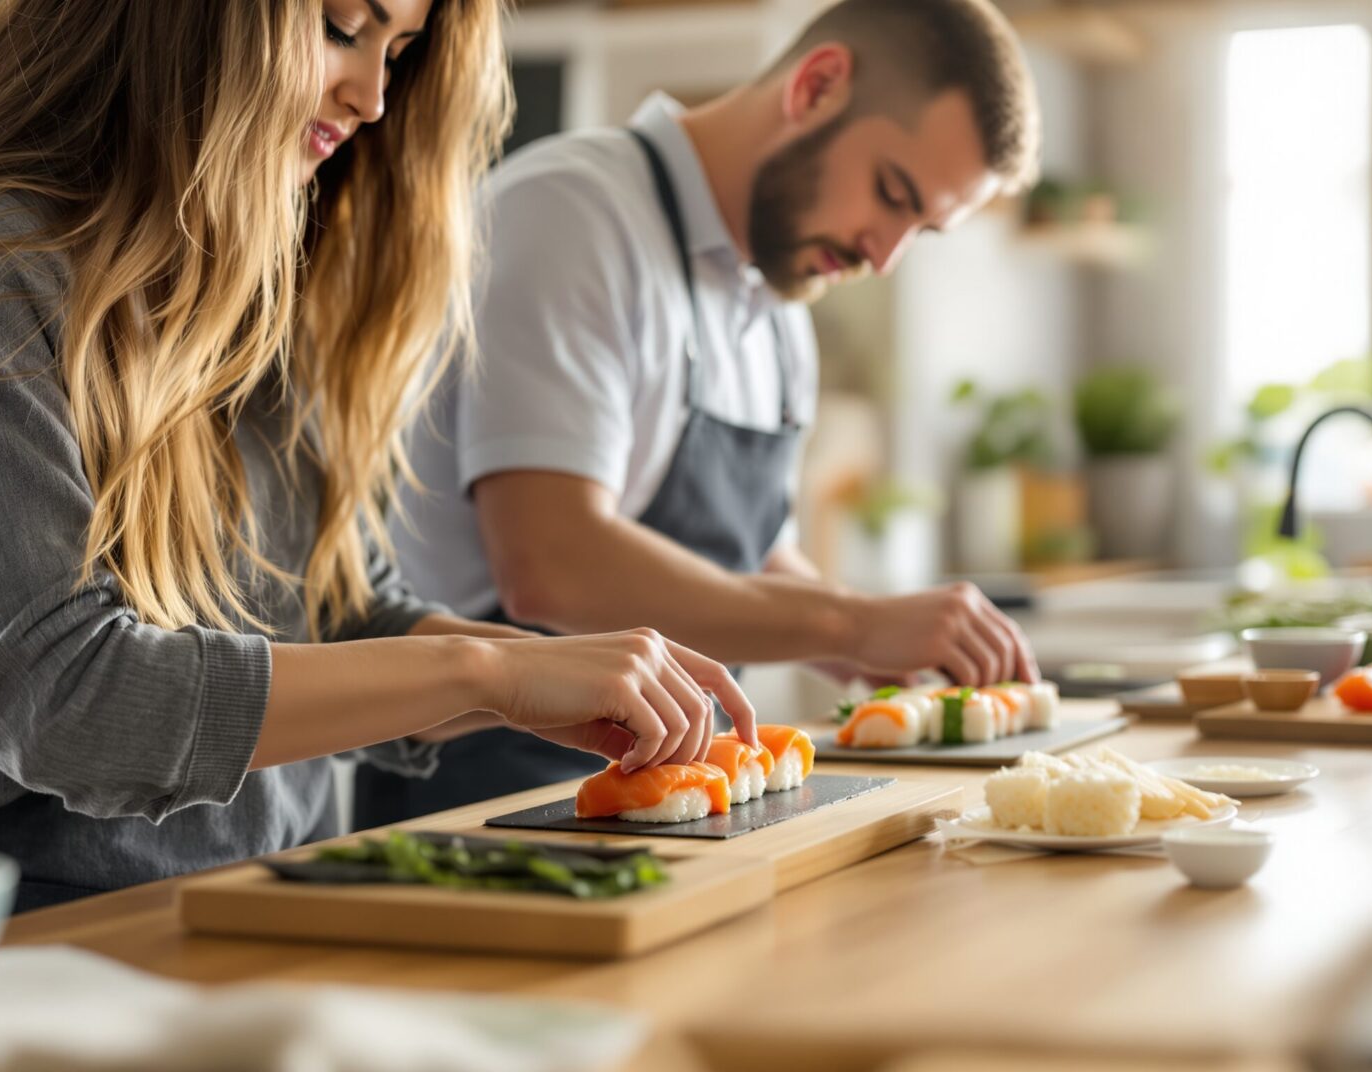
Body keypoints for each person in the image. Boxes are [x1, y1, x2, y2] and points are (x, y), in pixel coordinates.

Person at [0, 0, 750, 913]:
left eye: (397, 53)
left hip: (250, 904)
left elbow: (339, 610)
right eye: (341, 27)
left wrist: (536, 678)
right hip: (24, 933)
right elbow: (67, 703)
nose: (371, 97)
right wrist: (481, 671)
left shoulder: (254, 275)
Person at [366, 0, 1042, 826]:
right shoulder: (571, 215)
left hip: (690, 797)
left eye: (922, 231)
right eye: (892, 195)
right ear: (818, 86)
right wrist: (855, 623)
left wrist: (888, 650)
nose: (882, 254)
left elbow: (749, 558)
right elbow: (551, 563)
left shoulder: (782, 309)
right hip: (494, 796)